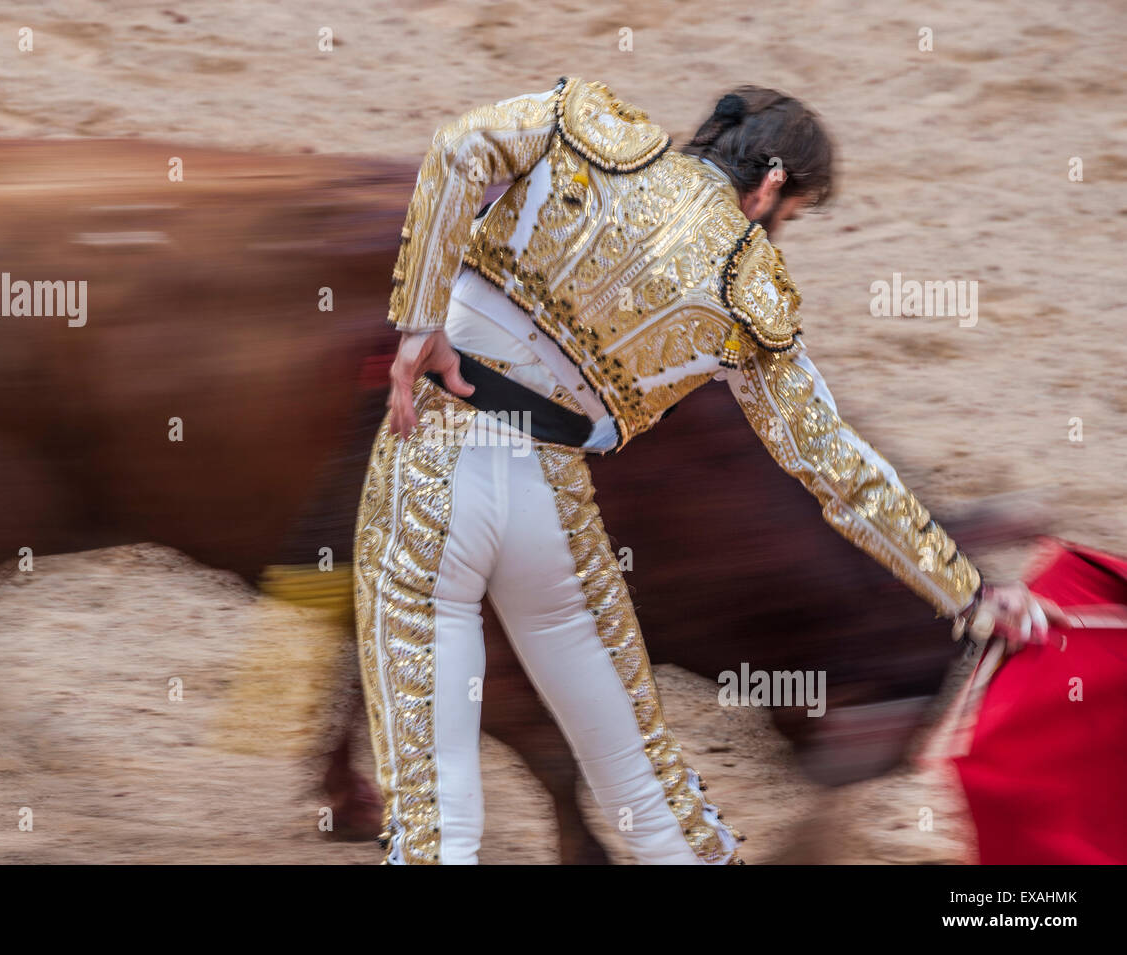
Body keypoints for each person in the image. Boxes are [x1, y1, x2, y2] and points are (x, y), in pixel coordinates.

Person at [352, 76, 1062, 865]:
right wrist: (968, 593)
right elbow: (836, 466)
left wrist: (419, 320)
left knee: (434, 809)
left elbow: (457, 148)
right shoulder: (747, 290)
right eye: (790, 218)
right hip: (548, 505)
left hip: (434, 460)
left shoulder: (582, 123)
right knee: (648, 792)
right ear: (769, 187)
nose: (780, 233)